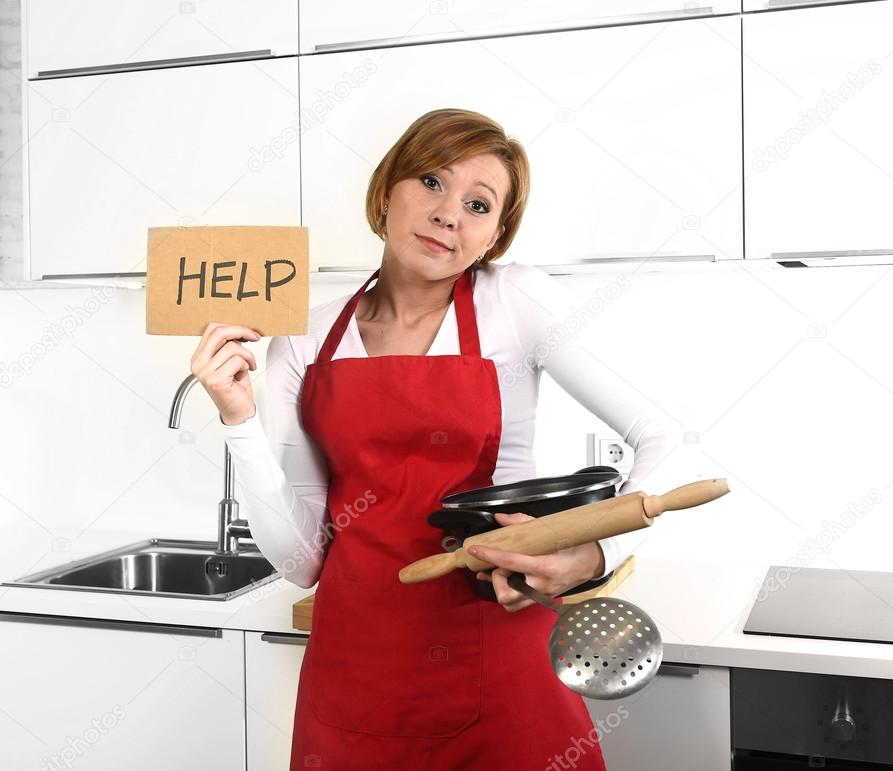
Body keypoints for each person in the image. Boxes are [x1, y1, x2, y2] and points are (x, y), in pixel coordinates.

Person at [190, 108, 681, 770]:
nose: (449, 212)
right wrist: (238, 421)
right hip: (357, 667)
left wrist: (594, 550)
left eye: (477, 204)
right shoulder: (306, 337)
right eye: (430, 181)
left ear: (493, 235)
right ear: (387, 189)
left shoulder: (515, 302)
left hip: (497, 651)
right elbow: (302, 560)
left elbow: (666, 437)